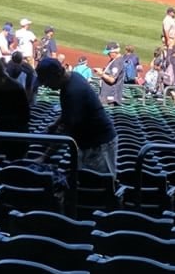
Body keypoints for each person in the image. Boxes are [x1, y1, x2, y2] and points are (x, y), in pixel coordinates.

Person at [36, 56, 116, 186]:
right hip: (89, 143)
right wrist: (55, 124)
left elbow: (67, 132)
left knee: (99, 187)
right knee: (84, 184)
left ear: (56, 75)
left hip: (100, 145)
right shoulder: (72, 78)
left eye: (46, 81)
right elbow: (69, 110)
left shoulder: (74, 91)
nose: (46, 86)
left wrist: (44, 157)